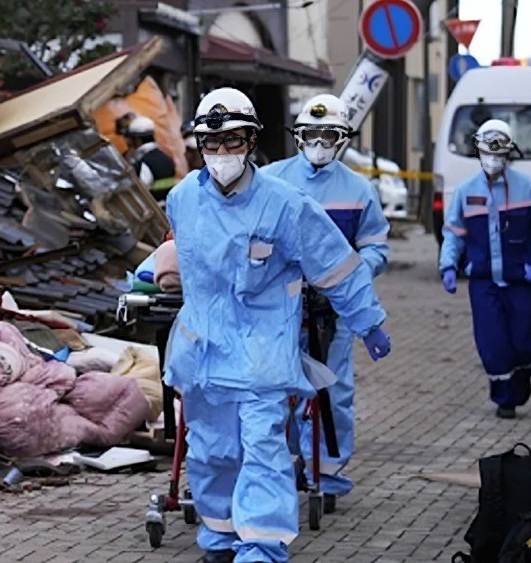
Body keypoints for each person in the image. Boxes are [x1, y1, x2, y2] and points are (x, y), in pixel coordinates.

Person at [165, 87, 391, 563]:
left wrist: (367, 321)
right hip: (202, 355)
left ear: (250, 141)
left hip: (260, 357)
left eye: (233, 141)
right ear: (199, 144)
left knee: (264, 453)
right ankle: (220, 539)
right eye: (213, 143)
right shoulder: (183, 198)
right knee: (210, 456)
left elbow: (335, 266)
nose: (222, 153)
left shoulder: (286, 204)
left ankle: (262, 548)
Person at [260, 94, 391, 512]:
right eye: (312, 134)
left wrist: (353, 276)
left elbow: (376, 246)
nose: (319, 142)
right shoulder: (270, 181)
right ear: (298, 137)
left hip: (334, 311)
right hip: (278, 309)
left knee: (333, 391)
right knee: (276, 389)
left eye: (328, 134)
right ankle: (280, 467)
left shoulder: (358, 189)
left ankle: (327, 471)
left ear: (341, 139)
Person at [438, 119, 531, 419]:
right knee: (493, 345)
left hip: (521, 282)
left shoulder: (529, 189)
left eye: (498, 150)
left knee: (525, 344)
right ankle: (505, 399)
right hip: (484, 284)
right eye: (486, 150)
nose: (492, 157)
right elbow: (454, 234)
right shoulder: (466, 192)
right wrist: (448, 266)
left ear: (509, 152)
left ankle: (522, 376)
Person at [121, 114, 177, 200]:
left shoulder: (144, 162)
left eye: (131, 139)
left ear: (138, 140)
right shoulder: (166, 158)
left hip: (155, 210)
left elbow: (141, 193)